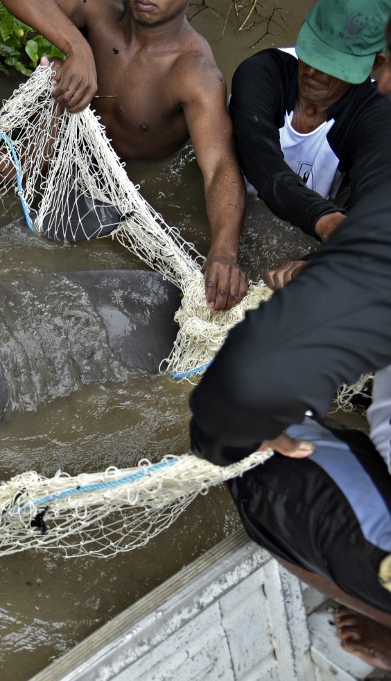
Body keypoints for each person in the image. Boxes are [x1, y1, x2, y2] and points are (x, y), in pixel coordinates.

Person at [189, 29, 391, 661]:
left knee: (255, 458)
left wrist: (227, 436)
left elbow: (248, 380)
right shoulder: (261, 77)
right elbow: (254, 162)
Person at [1, 0, 247, 312]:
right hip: (64, 155)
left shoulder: (195, 73)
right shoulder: (97, 13)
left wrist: (224, 252)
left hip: (130, 193)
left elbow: (219, 167)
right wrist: (77, 46)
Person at [229, 0, 391, 291]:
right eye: (313, 53)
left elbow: (374, 212)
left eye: (333, 64)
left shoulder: (377, 118)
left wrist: (319, 263)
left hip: (308, 226)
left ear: (376, 63)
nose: (314, 72)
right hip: (232, 206)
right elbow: (262, 163)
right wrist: (324, 219)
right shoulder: (263, 73)